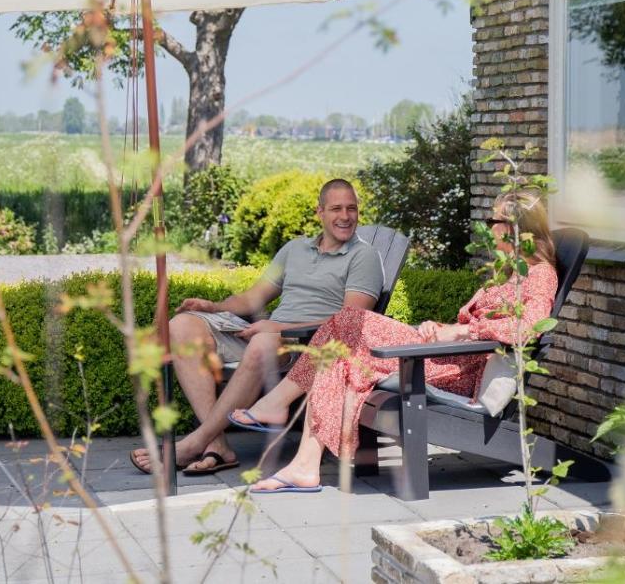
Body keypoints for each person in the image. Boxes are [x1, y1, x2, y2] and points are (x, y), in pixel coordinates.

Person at [232, 189, 558, 493]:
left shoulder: (540, 274)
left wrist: (462, 333)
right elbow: (476, 324)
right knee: (340, 349)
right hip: (442, 353)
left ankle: (279, 410)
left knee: (348, 322)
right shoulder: (509, 273)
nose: (488, 228)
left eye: (493, 220)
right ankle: (304, 465)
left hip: (458, 368)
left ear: (515, 228)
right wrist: (441, 327)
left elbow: (529, 328)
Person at [130, 178, 383, 475]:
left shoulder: (363, 256)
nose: (345, 216)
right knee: (181, 327)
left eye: (351, 208)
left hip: (310, 346)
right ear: (320, 212)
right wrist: (214, 307)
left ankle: (195, 442)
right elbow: (254, 297)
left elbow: (349, 322)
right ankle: (218, 445)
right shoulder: (294, 249)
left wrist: (276, 328)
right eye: (336, 209)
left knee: (263, 342)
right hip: (271, 334)